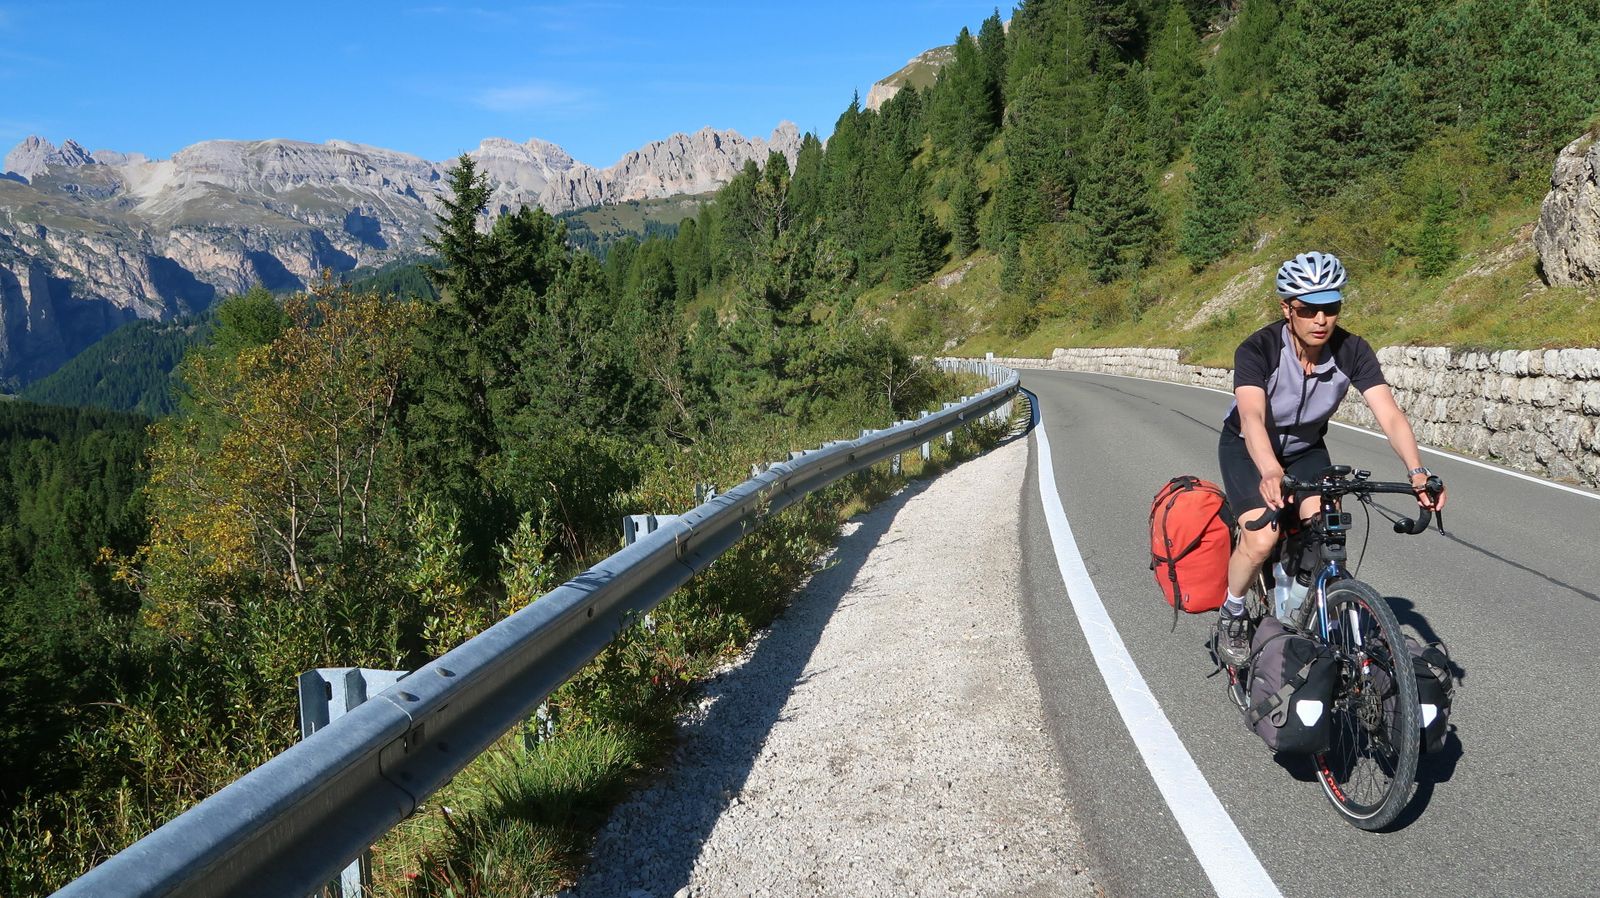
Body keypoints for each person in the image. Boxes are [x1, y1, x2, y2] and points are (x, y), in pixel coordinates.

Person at [1213, 251, 1447, 666]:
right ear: (1287, 309)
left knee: (1326, 533)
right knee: (1261, 539)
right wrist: (1270, 469)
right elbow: (1251, 416)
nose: (1321, 319)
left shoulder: (1351, 350)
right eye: (1308, 309)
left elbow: (1390, 415)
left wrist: (1417, 472)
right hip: (1249, 447)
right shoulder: (1259, 349)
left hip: (1306, 448)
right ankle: (1231, 613)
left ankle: (1302, 600)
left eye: (1331, 307)